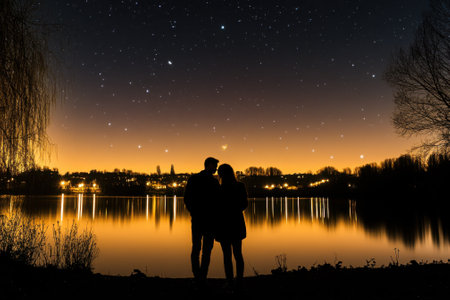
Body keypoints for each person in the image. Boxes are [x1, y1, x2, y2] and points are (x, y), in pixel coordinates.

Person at [184, 157, 220, 281]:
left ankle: (197, 275)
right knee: (206, 250)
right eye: (214, 166)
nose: (216, 169)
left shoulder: (193, 178)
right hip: (209, 220)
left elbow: (187, 198)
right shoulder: (214, 182)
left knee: (196, 248)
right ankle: (203, 275)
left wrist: (192, 211)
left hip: (197, 218)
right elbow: (217, 202)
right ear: (209, 165)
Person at [215, 163, 248, 287]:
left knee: (227, 255)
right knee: (238, 253)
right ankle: (239, 279)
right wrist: (235, 209)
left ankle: (229, 280)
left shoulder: (219, 188)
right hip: (236, 223)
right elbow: (244, 204)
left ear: (221, 174)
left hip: (223, 224)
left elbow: (215, 206)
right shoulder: (240, 186)